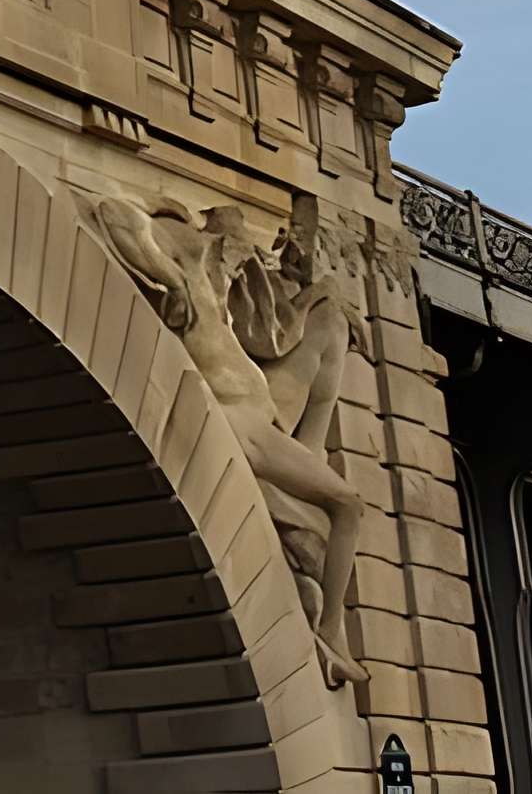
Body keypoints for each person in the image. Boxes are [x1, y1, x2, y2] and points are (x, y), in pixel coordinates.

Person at [89, 192, 369, 687]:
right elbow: (113, 213)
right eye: (236, 243)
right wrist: (171, 275)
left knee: (339, 510)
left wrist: (313, 292)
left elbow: (274, 330)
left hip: (258, 418)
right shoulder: (186, 270)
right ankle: (331, 630)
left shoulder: (218, 293)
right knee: (347, 504)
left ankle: (322, 612)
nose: (245, 256)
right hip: (244, 428)